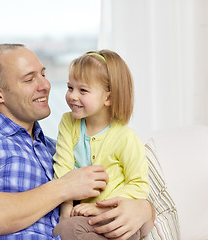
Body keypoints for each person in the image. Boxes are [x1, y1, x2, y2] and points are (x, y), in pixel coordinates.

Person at [0, 43, 155, 240]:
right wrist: (65, 187)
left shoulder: (57, 150)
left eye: (43, 74)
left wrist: (144, 209)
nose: (45, 85)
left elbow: (114, 191)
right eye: (30, 79)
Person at [52, 50, 151, 240]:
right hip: (86, 220)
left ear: (108, 98)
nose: (72, 96)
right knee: (64, 230)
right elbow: (63, 169)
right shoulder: (68, 123)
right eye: (69, 87)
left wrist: (100, 208)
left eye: (83, 90)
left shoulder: (125, 137)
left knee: (129, 230)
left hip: (118, 214)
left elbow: (138, 184)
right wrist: (65, 211)